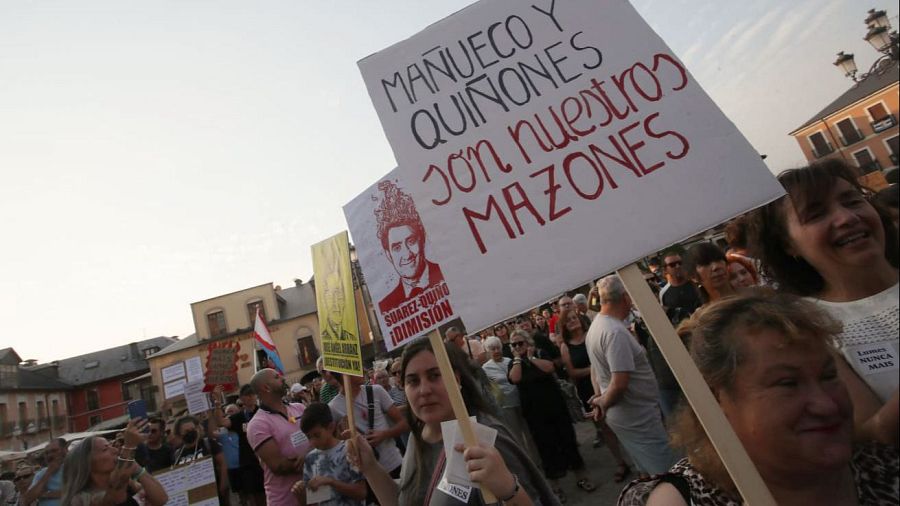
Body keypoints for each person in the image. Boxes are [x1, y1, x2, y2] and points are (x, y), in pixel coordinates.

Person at [618, 291, 900, 506]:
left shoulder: (883, 466)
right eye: (788, 383)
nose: (826, 404)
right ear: (717, 399)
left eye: (828, 376)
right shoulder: (682, 500)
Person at [749, 159, 899, 445]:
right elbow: (870, 433)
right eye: (816, 214)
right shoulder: (805, 327)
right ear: (788, 245)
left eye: (853, 201)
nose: (846, 218)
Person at [347, 339, 556, 506]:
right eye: (413, 381)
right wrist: (370, 467)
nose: (424, 390)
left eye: (435, 375)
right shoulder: (417, 436)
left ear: (457, 379)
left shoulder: (483, 436)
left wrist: (511, 491)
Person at [586, 274, 678, 476]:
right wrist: (603, 402)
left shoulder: (599, 326)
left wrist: (602, 399)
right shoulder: (614, 332)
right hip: (637, 416)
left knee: (648, 472)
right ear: (625, 297)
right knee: (666, 472)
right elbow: (619, 383)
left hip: (631, 414)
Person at [508, 329, 595, 502]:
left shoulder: (540, 353)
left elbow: (549, 368)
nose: (518, 346)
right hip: (534, 414)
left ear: (528, 342)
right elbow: (515, 378)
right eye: (514, 344)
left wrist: (531, 358)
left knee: (568, 441)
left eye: (521, 343)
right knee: (546, 449)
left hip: (555, 407)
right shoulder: (513, 363)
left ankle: (581, 477)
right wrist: (519, 358)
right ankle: (555, 488)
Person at [558, 308, 632, 480]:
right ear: (564, 326)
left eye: (574, 317)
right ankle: (620, 462)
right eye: (568, 320)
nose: (572, 321)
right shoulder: (565, 347)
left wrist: (598, 369)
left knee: (621, 420)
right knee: (604, 428)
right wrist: (593, 369)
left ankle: (635, 457)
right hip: (587, 389)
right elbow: (572, 372)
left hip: (608, 382)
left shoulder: (593, 334)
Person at [374, 180, 445, 314]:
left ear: (422, 239)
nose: (407, 254)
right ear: (388, 255)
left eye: (411, 241)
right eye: (396, 247)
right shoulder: (387, 307)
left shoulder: (447, 273)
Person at [60, 419, 168, 506]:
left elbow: (161, 499)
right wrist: (129, 447)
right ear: (87, 463)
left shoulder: (128, 483)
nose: (115, 450)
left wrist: (135, 467)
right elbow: (114, 498)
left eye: (111, 446)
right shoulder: (80, 499)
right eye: (105, 449)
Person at [327, 372, 407, 481]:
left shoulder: (376, 391)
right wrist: (347, 440)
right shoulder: (333, 408)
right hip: (366, 475)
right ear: (343, 375)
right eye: (355, 367)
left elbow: (404, 424)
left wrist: (384, 435)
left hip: (395, 464)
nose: (361, 371)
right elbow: (334, 448)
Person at [247, 368, 309, 506]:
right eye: (277, 377)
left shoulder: (299, 408)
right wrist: (315, 457)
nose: (283, 378)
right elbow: (279, 466)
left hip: (315, 493)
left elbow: (318, 436)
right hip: (286, 500)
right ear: (266, 387)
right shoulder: (257, 424)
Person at [290, 403, 366, 506]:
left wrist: (331, 482)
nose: (313, 442)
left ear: (331, 427)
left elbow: (361, 492)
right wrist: (301, 495)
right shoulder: (310, 458)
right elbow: (314, 500)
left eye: (317, 435)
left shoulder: (348, 449)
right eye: (308, 437)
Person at [480, 336, 534, 461]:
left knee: (529, 432)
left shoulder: (510, 360)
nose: (496, 351)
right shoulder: (485, 368)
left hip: (520, 400)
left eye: (498, 347)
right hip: (505, 405)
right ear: (488, 351)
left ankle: (537, 460)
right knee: (516, 436)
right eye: (492, 349)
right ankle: (525, 461)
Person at [172, 415, 230, 504]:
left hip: (214, 494)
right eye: (186, 431)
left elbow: (223, 463)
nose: (190, 433)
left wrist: (223, 485)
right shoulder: (177, 454)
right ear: (180, 434)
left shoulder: (208, 444)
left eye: (192, 429)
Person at [657, 252, 702, 323]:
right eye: (672, 265)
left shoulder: (697, 282)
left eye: (680, 263)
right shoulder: (664, 293)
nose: (677, 266)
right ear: (665, 270)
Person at [24, 438, 67, 506]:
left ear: (65, 450)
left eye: (54, 451)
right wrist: (49, 472)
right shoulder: (41, 474)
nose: (50, 455)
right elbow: (27, 499)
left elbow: (78, 491)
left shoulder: (74, 468)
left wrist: (45, 494)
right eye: (47, 453)